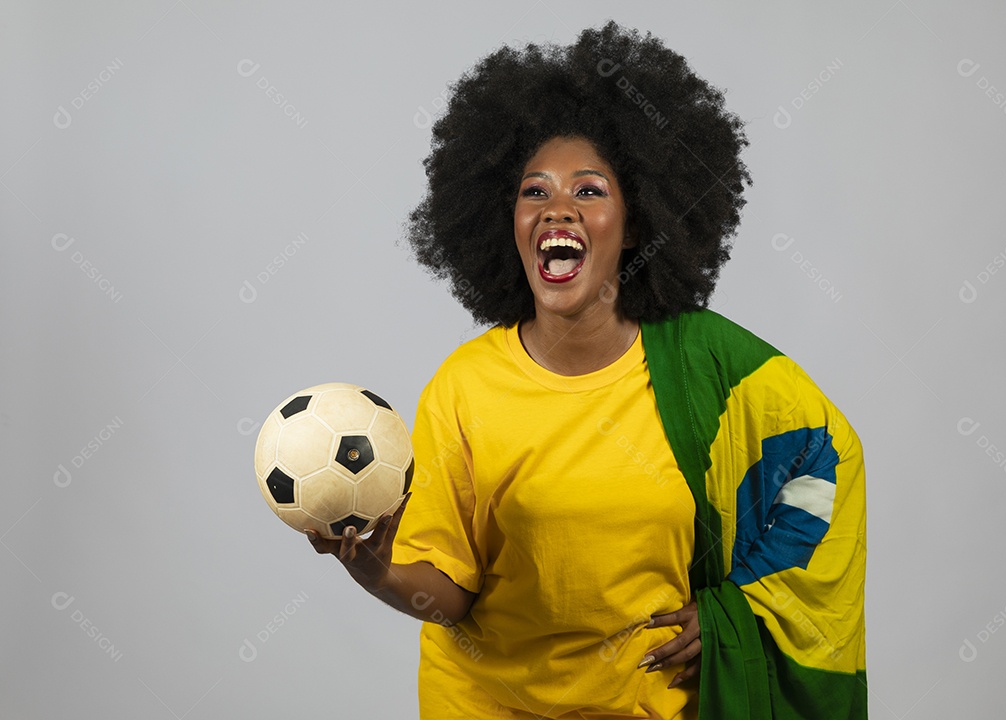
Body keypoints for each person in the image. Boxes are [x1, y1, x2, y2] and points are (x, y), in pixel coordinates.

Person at [307, 22, 867, 719]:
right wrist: (377, 570)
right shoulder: (465, 386)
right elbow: (452, 592)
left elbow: (823, 456)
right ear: (503, 220)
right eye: (534, 192)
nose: (558, 210)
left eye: (590, 191)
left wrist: (743, 607)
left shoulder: (705, 367)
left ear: (635, 224)